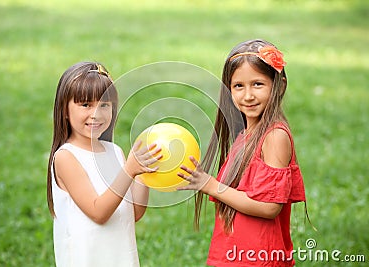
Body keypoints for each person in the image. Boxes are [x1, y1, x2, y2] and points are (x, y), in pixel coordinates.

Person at [178, 39, 306, 266]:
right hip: (234, 254)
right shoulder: (244, 135)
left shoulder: (274, 137)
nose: (248, 95)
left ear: (280, 85)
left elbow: (269, 207)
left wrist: (211, 186)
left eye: (258, 84)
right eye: (239, 86)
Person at [46, 62, 162, 267]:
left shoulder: (114, 152)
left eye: (104, 105)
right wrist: (129, 171)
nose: (96, 114)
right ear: (64, 109)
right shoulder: (66, 157)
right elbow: (98, 212)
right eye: (85, 105)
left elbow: (133, 213)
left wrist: (142, 172)